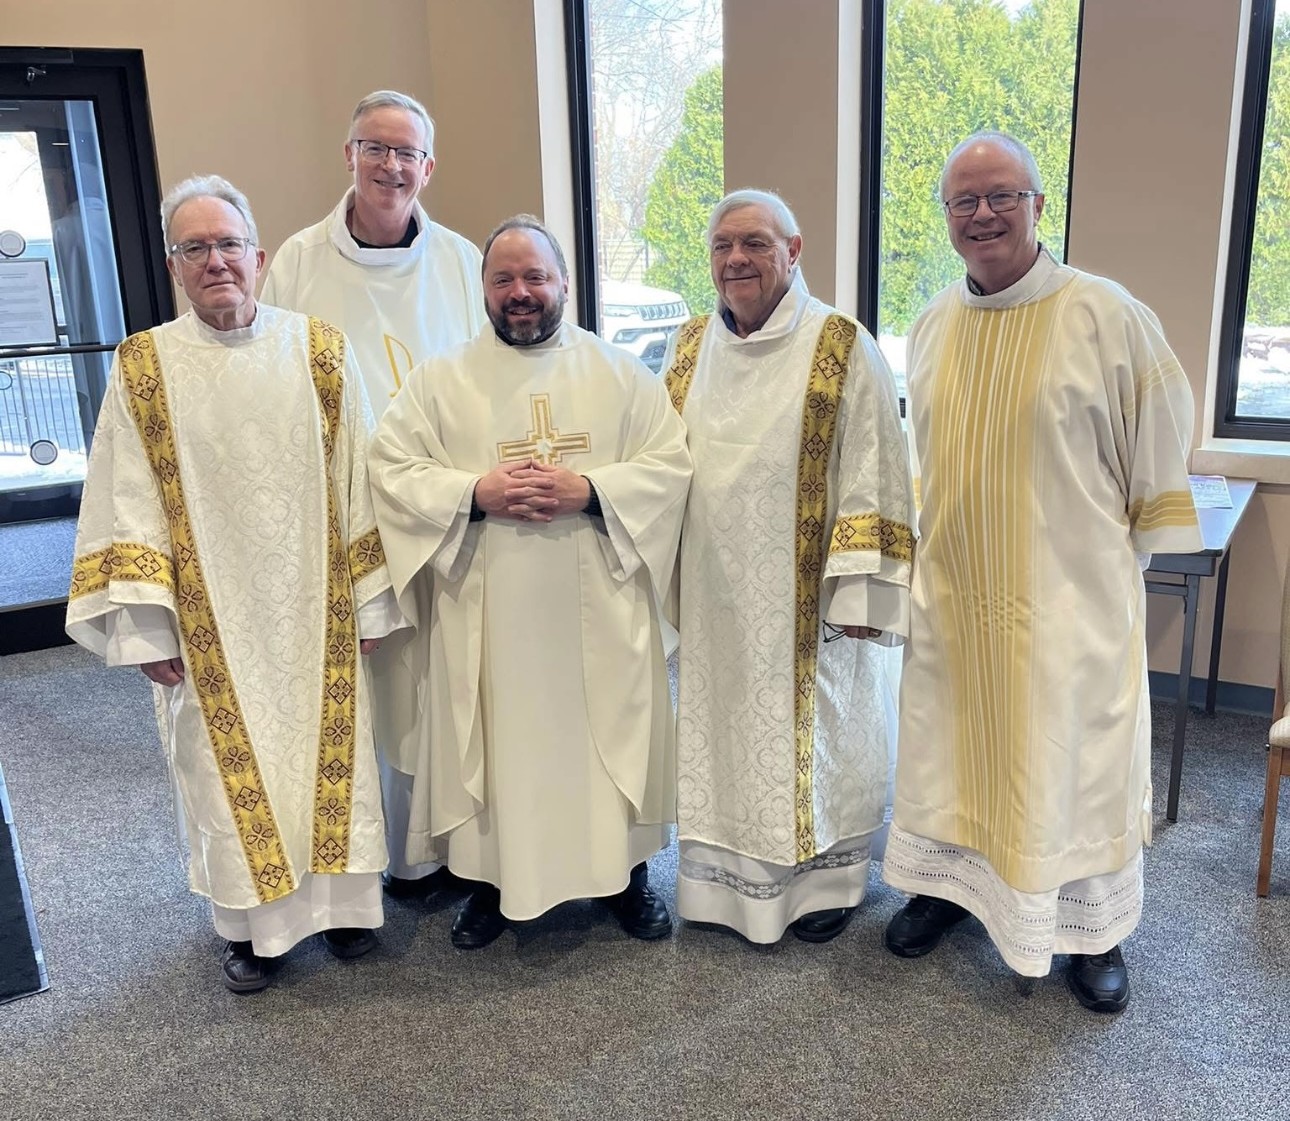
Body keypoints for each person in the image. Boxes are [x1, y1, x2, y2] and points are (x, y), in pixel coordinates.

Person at [883, 132, 1202, 1013]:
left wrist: (1110, 559)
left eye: (1002, 196)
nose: (982, 214)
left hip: (1067, 602)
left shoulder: (1106, 313)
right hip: (956, 596)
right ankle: (947, 892)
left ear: (1038, 204)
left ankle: (1095, 934)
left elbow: (1160, 433)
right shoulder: (935, 323)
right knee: (955, 754)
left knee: (1070, 765)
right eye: (964, 201)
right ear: (947, 218)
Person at [66, 175, 404, 993]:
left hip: (313, 610)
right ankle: (253, 931)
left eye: (227, 244)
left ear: (257, 255)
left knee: (333, 756)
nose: (215, 261)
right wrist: (147, 628)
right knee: (220, 770)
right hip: (208, 623)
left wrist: (365, 598)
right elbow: (127, 497)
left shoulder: (319, 350)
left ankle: (348, 913)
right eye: (195, 247)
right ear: (174, 264)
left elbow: (356, 476)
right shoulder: (144, 367)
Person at [368, 215, 692, 949]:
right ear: (483, 289)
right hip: (488, 610)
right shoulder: (440, 381)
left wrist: (595, 490)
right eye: (503, 279)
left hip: (601, 606)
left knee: (610, 734)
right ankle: (489, 883)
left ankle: (627, 877)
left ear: (564, 285)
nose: (520, 292)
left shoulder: (618, 373)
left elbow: (671, 463)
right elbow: (390, 469)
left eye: (535, 277)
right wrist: (473, 493)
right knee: (493, 738)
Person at [663, 189, 915, 945]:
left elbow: (875, 462)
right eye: (722, 246)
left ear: (794, 250)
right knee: (723, 730)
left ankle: (825, 886)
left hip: (812, 595)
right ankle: (719, 888)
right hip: (715, 591)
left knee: (820, 733)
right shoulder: (687, 345)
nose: (735, 260)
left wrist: (862, 587)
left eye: (755, 244)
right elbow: (658, 459)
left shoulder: (840, 344)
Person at [262, 89, 485, 897]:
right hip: (352, 508)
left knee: (453, 672)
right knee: (378, 677)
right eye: (375, 148)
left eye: (407, 153)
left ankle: (462, 842)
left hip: (447, 500)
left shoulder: (461, 260)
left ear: (429, 167)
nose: (391, 166)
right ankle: (393, 853)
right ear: (348, 155)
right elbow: (276, 383)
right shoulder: (295, 262)